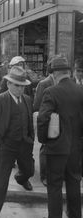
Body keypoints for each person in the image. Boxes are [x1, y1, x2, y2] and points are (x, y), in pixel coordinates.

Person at [0, 66, 35, 218]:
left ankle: (21, 178)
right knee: (0, 182)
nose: (20, 89)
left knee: (29, 170)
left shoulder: (27, 100)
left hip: (24, 144)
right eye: (17, 85)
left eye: (23, 86)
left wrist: (30, 139)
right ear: (8, 84)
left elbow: (29, 121)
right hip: (6, 146)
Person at [37, 56, 83, 218]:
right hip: (75, 149)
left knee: (55, 186)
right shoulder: (80, 90)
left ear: (55, 74)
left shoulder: (51, 91)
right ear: (68, 72)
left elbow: (43, 119)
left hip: (56, 148)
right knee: (74, 184)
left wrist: (43, 140)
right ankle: (75, 215)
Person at [33, 55, 56, 186]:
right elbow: (37, 105)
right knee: (45, 148)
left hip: (59, 121)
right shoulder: (44, 83)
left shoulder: (64, 81)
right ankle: (44, 175)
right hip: (47, 120)